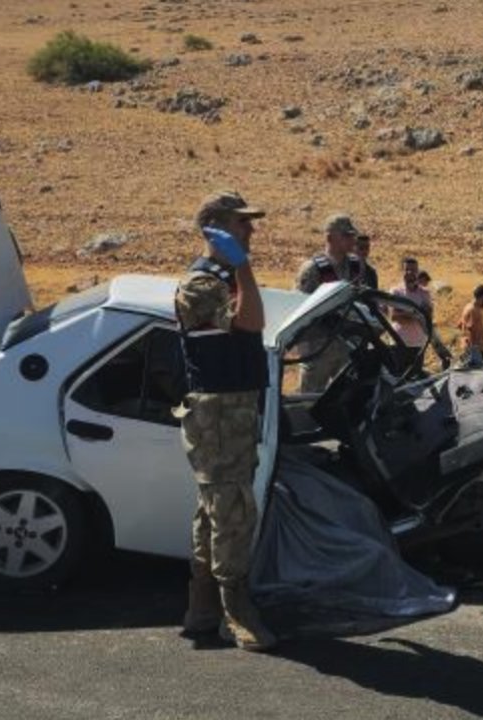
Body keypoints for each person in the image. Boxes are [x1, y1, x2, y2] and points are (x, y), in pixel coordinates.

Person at [174, 190, 276, 651]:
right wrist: (243, 267)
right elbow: (252, 322)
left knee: (213, 509)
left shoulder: (220, 276)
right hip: (218, 413)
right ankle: (235, 611)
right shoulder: (200, 283)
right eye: (241, 223)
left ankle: (202, 608)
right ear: (214, 228)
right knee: (231, 509)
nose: (250, 230)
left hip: (231, 409)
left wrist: (237, 267)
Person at [296, 214, 363, 391]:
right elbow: (300, 308)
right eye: (345, 236)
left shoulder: (356, 265)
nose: (351, 240)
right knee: (310, 399)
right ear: (329, 238)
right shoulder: (312, 269)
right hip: (318, 347)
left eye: (352, 235)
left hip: (347, 344)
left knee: (347, 397)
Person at [389, 257, 434, 373]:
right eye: (407, 270)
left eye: (413, 270)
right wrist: (416, 313)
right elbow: (394, 316)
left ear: (417, 272)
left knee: (415, 381)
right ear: (402, 271)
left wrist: (406, 313)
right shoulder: (396, 292)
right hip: (399, 342)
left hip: (418, 344)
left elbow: (428, 316)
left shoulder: (425, 293)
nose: (410, 273)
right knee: (397, 378)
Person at [458, 284, 483, 366]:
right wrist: (473, 350)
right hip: (475, 349)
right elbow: (470, 329)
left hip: (472, 347)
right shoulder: (473, 310)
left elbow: (460, 325)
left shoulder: (468, 307)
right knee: (478, 374)